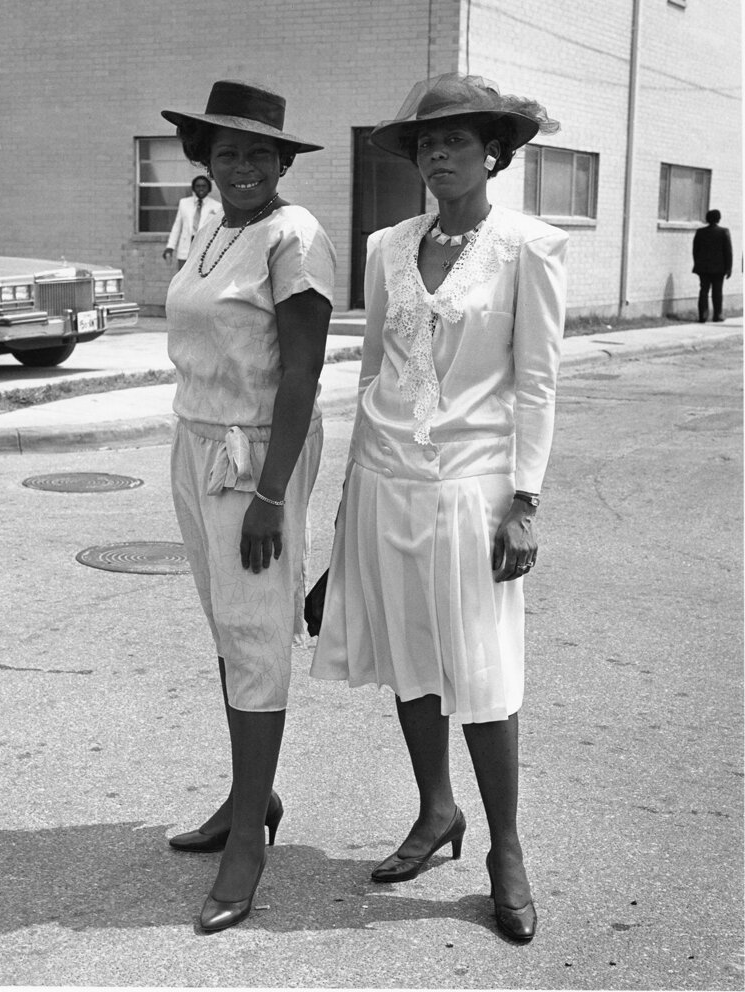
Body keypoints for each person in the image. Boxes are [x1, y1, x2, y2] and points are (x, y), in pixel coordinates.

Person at [311, 73, 567, 942]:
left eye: (458, 140)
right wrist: (346, 511)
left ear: (493, 151)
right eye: (428, 142)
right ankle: (434, 811)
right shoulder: (388, 245)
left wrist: (524, 501)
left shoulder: (530, 247)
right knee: (409, 659)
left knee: (485, 674)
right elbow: (375, 374)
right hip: (386, 484)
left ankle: (506, 850)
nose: (441, 154)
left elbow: (536, 384)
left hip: (473, 489)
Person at [161, 80, 335, 932]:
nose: (242, 166)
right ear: (206, 158)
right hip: (196, 444)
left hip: (256, 454)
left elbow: (302, 373)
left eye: (259, 153)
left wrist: (273, 494)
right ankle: (246, 799)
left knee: (259, 633)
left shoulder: (291, 235)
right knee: (229, 629)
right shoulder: (210, 229)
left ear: (281, 160)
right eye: (226, 151)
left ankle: (248, 852)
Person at [163, 174, 222, 269]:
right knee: (182, 278)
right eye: (198, 186)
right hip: (185, 249)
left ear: (209, 189)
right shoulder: (184, 203)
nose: (201, 189)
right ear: (193, 188)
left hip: (204, 249)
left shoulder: (216, 206)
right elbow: (177, 227)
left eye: (204, 186)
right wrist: (170, 247)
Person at [692, 209, 733, 322]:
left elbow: (695, 250)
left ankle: (703, 315)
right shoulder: (724, 232)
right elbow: (728, 251)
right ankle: (717, 314)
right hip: (719, 268)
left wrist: (697, 263)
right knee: (717, 291)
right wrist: (729, 268)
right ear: (718, 219)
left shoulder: (700, 232)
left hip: (703, 267)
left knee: (704, 290)